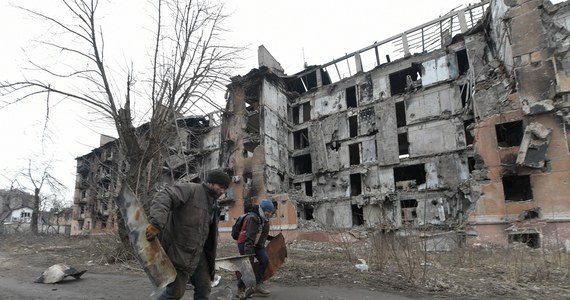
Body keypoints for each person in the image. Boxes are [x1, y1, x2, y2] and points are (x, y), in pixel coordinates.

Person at [145, 169, 231, 300]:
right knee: (174, 293)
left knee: (204, 290)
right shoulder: (191, 190)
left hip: (199, 255)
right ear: (211, 183)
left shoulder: (213, 205)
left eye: (225, 188)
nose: (222, 191)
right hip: (179, 252)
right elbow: (164, 195)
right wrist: (157, 223)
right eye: (221, 187)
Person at [235, 199, 275, 298]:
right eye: (268, 212)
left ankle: (257, 284)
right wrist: (249, 255)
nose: (270, 214)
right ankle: (240, 289)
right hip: (245, 243)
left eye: (271, 212)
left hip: (257, 244)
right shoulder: (253, 218)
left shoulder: (264, 218)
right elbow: (249, 237)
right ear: (262, 209)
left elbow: (262, 233)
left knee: (265, 260)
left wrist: (273, 239)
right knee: (248, 267)